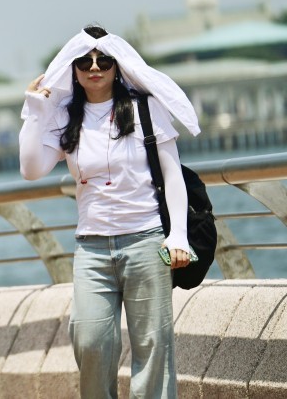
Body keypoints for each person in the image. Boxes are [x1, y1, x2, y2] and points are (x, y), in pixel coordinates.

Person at [18, 25, 201, 399]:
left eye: (103, 60)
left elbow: (172, 173)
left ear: (118, 66)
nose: (94, 67)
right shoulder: (65, 118)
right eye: (85, 61)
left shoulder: (144, 109)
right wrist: (35, 110)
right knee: (89, 342)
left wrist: (178, 234)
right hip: (92, 248)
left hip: (146, 240)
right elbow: (30, 169)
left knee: (153, 347)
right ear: (74, 69)